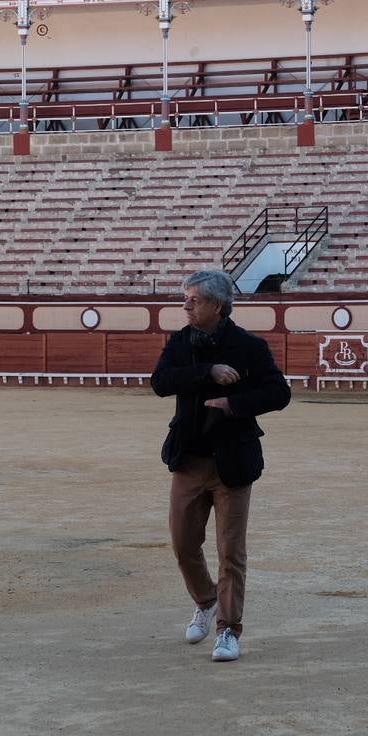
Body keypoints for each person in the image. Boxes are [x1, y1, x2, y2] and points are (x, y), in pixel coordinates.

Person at [151, 269, 291, 662]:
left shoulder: (248, 346)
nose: (185, 306)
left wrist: (233, 405)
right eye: (186, 298)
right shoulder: (182, 343)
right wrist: (206, 373)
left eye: (193, 300)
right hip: (189, 459)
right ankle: (207, 600)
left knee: (231, 550)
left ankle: (229, 629)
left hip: (232, 460)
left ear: (218, 304)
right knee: (183, 544)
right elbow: (160, 382)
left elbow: (279, 392)